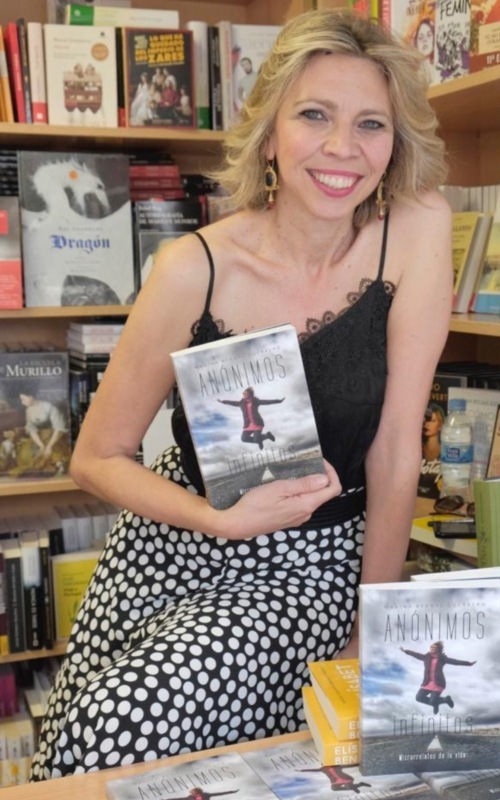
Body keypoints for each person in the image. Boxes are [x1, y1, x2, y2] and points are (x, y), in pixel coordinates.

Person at [30, 8, 452, 780]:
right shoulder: (192, 269)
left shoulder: (416, 229)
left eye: (371, 124)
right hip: (173, 544)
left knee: (121, 720)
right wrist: (218, 521)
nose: (342, 148)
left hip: (317, 562)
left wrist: (373, 624)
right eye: (314, 115)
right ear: (269, 131)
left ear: (396, 142)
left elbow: (397, 450)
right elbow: (96, 457)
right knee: (87, 747)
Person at [401, 641, 476, 714]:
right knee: (418, 698)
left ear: (438, 649)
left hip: (438, 683)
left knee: (432, 702)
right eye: (431, 647)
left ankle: (445, 700)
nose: (432, 648)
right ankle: (444, 700)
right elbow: (415, 654)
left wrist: (468, 663)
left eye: (434, 647)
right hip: (427, 683)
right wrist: (406, 651)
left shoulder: (442, 658)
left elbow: (455, 662)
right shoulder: (426, 657)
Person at [217, 387, 284, 450]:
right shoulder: (241, 403)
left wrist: (279, 401)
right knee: (244, 438)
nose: (244, 394)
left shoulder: (255, 401)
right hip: (248, 425)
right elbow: (232, 403)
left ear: (250, 394)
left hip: (257, 423)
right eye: (243, 393)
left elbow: (267, 402)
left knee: (256, 439)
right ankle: (260, 440)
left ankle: (267, 436)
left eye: (245, 393)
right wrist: (223, 401)